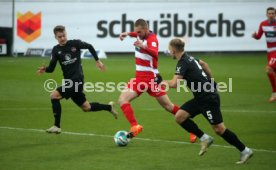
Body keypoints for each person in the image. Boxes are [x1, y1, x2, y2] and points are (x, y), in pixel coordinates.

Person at [164, 38, 253, 164]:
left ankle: (244, 150)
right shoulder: (190, 58)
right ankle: (204, 138)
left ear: (173, 51)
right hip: (200, 98)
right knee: (180, 116)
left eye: (169, 49)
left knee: (219, 129)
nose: (169, 52)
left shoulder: (183, 62)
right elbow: (204, 64)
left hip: (208, 99)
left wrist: (159, 83)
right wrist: (211, 81)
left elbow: (174, 84)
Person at [118, 19, 196, 142]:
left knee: (168, 106)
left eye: (139, 32)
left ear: (145, 30)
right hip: (140, 78)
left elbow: (155, 53)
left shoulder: (152, 40)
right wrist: (127, 34)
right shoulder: (141, 34)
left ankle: (193, 130)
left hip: (150, 79)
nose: (137, 35)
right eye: (135, 32)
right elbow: (136, 34)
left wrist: (143, 46)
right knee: (123, 100)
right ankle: (135, 126)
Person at [37, 25, 118, 134]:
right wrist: (45, 69)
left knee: (54, 95)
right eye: (60, 36)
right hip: (69, 82)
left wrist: (97, 61)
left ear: (66, 33)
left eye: (64, 35)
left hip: (77, 80)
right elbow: (51, 68)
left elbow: (89, 46)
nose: (62, 38)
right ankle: (109, 107)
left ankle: (57, 125)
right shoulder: (56, 50)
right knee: (86, 107)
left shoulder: (75, 43)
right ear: (55, 37)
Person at [252, 7, 276, 102]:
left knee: (268, 69)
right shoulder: (263, 24)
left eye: (273, 13)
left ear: (275, 14)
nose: (271, 15)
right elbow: (258, 36)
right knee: (273, 72)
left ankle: (274, 93)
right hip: (270, 52)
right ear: (266, 14)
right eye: (269, 13)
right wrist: (254, 36)